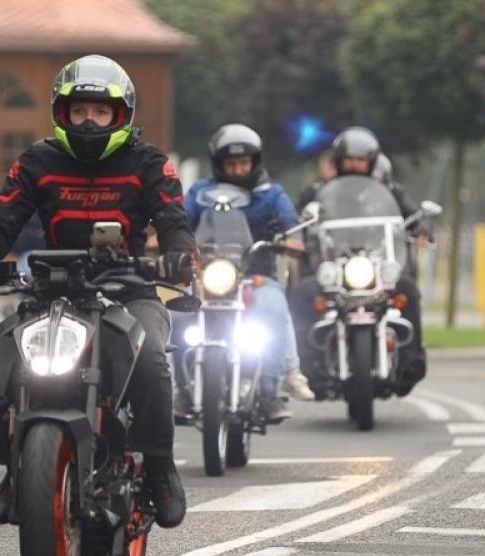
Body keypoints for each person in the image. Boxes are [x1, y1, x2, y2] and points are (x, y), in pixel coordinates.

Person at [0, 56, 194, 528]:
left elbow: (174, 222)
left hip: (130, 291)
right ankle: (15, 472)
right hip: (55, 291)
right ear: (63, 113)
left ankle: (160, 467)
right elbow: (3, 222)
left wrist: (181, 256)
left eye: (100, 111)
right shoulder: (37, 161)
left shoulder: (150, 163)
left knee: (154, 354)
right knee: (4, 351)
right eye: (79, 111)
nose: (89, 120)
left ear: (121, 115)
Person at [178, 124, 314, 423]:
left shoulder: (271, 194)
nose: (238, 169)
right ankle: (181, 389)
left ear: (255, 162)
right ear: (219, 164)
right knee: (176, 315)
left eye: (244, 163)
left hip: (256, 276)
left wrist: (293, 240)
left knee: (274, 307)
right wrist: (163, 238)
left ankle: (269, 390)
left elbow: (291, 225)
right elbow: (178, 221)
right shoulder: (200, 193)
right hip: (207, 278)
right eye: (231, 163)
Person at [293, 127, 427, 393]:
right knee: (303, 292)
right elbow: (295, 218)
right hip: (333, 266)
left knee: (408, 289)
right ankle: (308, 364)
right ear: (339, 160)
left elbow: (414, 214)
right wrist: (296, 235)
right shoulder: (318, 192)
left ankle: (411, 359)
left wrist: (422, 227)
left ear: (371, 161)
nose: (354, 164)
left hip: (376, 263)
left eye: (360, 159)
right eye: (349, 158)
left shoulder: (388, 190)